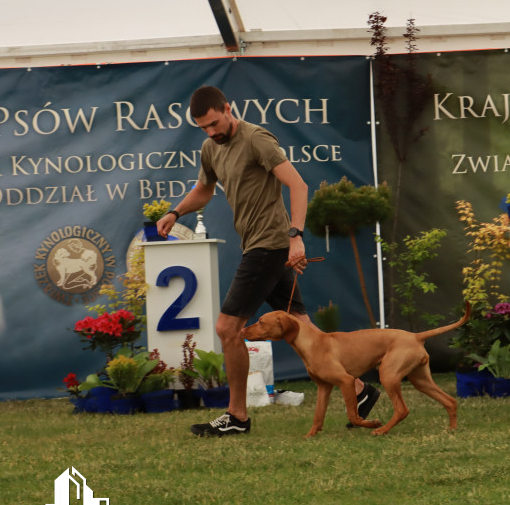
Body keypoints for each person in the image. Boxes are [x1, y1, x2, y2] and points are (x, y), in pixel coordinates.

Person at [158, 85, 380, 436]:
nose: (212, 132)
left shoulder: (257, 139)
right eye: (204, 127)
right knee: (302, 326)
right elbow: (205, 189)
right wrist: (176, 212)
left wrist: (296, 237)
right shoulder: (209, 148)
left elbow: (299, 185)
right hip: (257, 246)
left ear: (228, 108)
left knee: (227, 329)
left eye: (215, 123)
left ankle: (237, 417)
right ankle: (359, 389)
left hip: (269, 245)